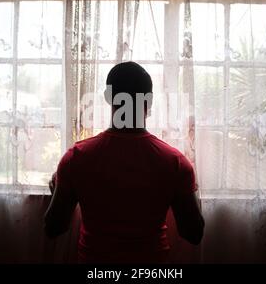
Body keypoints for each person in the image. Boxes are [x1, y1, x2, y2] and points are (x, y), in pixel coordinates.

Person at [44, 61, 204, 263]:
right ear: (150, 101)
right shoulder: (175, 163)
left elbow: (53, 228)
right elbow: (194, 234)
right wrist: (190, 186)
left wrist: (57, 190)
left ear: (107, 98)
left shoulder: (76, 158)